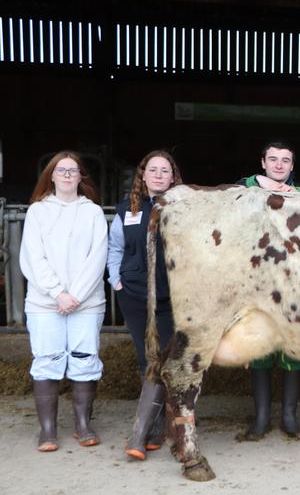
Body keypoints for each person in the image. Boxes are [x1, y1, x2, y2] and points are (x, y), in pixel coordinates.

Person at [20, 150, 108, 452]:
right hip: (45, 303)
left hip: (87, 302)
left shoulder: (93, 212)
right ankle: (48, 429)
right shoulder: (37, 212)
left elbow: (97, 258)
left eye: (73, 170)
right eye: (61, 170)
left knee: (85, 359)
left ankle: (83, 424)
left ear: (81, 176)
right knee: (46, 361)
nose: (68, 175)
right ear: (51, 175)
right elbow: (33, 257)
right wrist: (58, 293)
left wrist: (76, 296)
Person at [108, 150, 183, 460]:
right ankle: (152, 430)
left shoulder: (182, 209)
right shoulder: (128, 210)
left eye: (165, 171)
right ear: (143, 175)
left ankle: (142, 435)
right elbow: (115, 247)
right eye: (153, 169)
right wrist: (116, 280)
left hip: (170, 298)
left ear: (172, 177)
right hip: (135, 294)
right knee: (146, 359)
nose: (158, 175)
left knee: (164, 361)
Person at [237, 141, 300, 441]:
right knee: (259, 350)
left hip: (293, 284)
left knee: (293, 350)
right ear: (263, 162)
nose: (279, 165)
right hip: (257, 283)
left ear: (293, 166)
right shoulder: (245, 188)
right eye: (274, 160)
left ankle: (289, 417)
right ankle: (262, 417)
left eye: (286, 161)